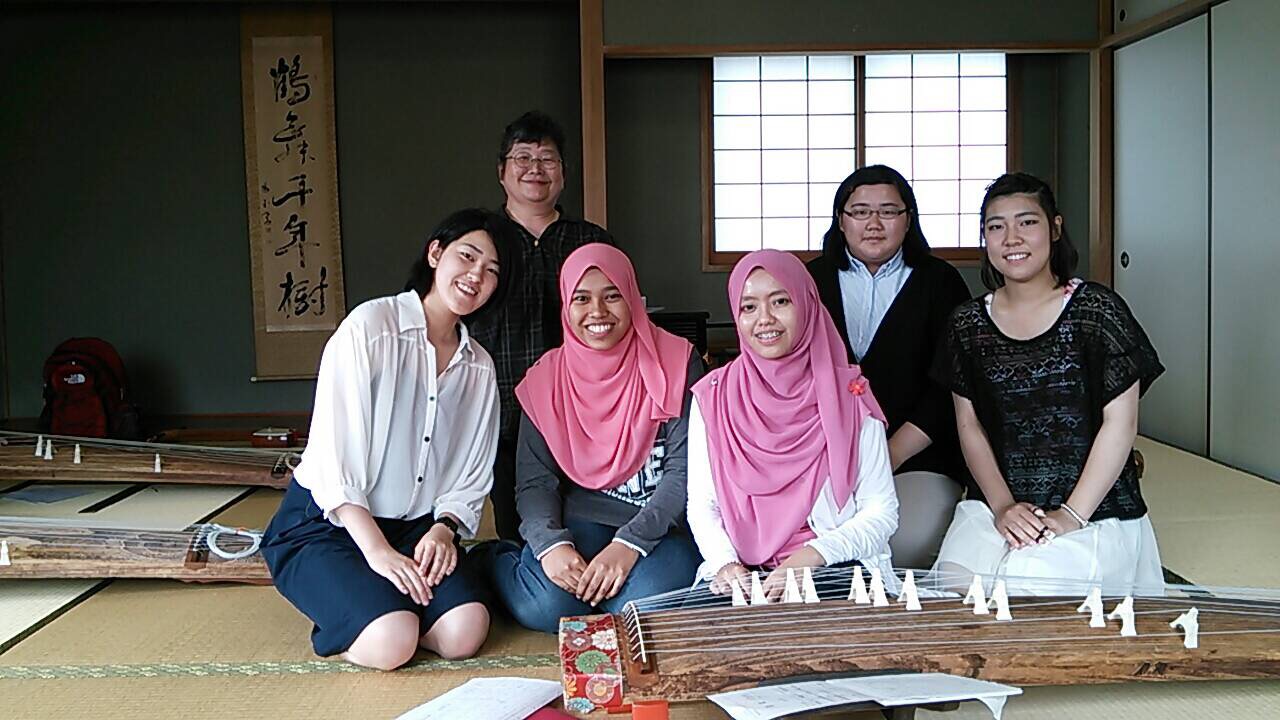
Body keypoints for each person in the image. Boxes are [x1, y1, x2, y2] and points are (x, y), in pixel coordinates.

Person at [261, 209, 520, 670]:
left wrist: (443, 529)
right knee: (391, 642)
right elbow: (334, 459)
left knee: (464, 633)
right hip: (329, 523)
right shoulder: (371, 328)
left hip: (415, 529)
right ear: (435, 253)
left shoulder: (478, 366)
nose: (476, 275)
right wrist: (378, 553)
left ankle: (387, 605)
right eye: (467, 256)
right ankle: (370, 613)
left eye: (491, 270)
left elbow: (472, 469)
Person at [931, 172, 1165, 595]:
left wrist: (1070, 516)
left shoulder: (1097, 310)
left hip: (1093, 509)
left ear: (1055, 228)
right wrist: (1003, 507)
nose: (1012, 238)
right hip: (996, 505)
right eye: (996, 227)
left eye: (1027, 222)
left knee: (1029, 586)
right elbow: (969, 425)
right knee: (955, 587)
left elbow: (1121, 424)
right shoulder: (967, 324)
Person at [485, 244, 703, 633]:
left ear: (632, 298)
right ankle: (492, 559)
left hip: (658, 526)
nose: (597, 312)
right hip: (580, 521)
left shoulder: (677, 361)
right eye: (582, 298)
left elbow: (683, 471)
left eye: (612, 296)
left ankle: (603, 591)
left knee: (645, 610)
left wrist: (629, 544)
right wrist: (551, 545)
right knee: (546, 609)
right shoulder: (545, 379)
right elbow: (535, 482)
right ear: (566, 306)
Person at [687, 249, 898, 600]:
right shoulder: (713, 395)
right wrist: (726, 563)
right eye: (749, 307)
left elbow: (882, 511)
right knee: (699, 630)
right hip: (744, 570)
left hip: (831, 563)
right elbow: (703, 504)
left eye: (780, 301)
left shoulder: (851, 395)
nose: (765, 319)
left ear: (807, 304)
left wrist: (810, 557)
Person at [807, 165, 972, 568]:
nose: (874, 223)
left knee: (900, 546)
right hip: (817, 458)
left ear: (908, 220)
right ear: (841, 221)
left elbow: (948, 387)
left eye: (888, 211)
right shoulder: (810, 280)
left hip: (914, 457)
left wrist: (887, 456)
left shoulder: (941, 282)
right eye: (860, 211)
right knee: (808, 544)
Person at [469, 111, 614, 542]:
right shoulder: (479, 243)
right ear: (502, 171)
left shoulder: (591, 241)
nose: (535, 168)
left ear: (563, 174)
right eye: (523, 157)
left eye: (547, 159)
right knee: (520, 530)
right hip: (502, 411)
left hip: (584, 412)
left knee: (590, 522)